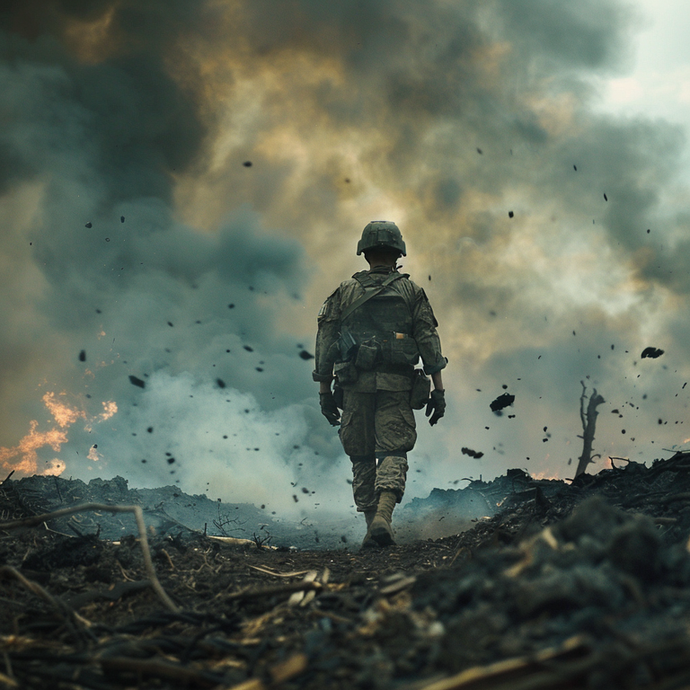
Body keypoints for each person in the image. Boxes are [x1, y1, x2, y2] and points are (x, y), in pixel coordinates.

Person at [313, 220, 446, 547]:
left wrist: (323, 393)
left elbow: (325, 343)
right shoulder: (411, 292)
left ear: (366, 253)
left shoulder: (344, 292)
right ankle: (384, 519)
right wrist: (439, 391)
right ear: (398, 253)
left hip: (353, 386)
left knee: (360, 456)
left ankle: (373, 524)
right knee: (393, 450)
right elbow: (429, 342)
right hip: (396, 385)